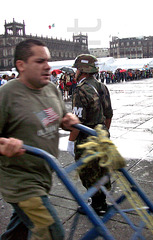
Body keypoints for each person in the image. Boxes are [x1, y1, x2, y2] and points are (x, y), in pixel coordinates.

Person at [0, 39, 79, 240]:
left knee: (18, 232)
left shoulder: (51, 89)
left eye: (48, 60)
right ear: (21, 65)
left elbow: (59, 117)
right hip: (20, 181)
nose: (48, 66)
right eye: (40, 61)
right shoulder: (8, 94)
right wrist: (4, 144)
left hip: (44, 175)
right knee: (51, 232)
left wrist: (67, 120)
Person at [67, 54, 113, 215]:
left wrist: (71, 142)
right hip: (102, 136)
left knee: (88, 172)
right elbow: (109, 114)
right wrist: (104, 132)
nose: (75, 72)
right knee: (102, 169)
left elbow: (77, 121)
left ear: (82, 70)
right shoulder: (102, 86)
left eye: (76, 69)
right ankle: (101, 203)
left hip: (86, 140)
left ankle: (96, 206)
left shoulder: (80, 89)